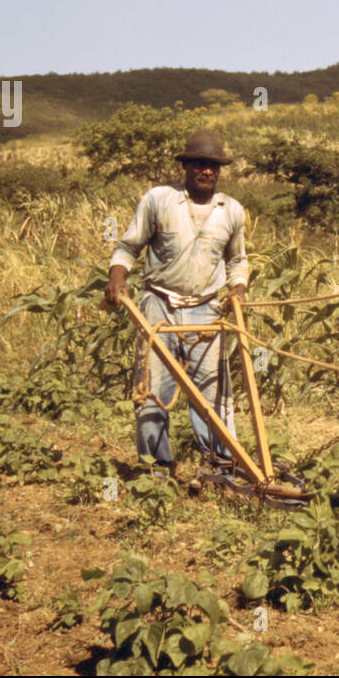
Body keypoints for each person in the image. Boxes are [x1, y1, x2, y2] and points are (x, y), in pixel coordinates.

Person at [103, 129, 249, 480]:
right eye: (199, 163)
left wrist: (238, 290)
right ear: (185, 166)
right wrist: (117, 278)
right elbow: (128, 246)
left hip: (205, 309)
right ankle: (156, 472)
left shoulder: (231, 210)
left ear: (219, 172)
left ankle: (220, 466)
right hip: (158, 306)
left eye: (213, 166)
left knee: (213, 393)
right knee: (153, 393)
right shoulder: (159, 200)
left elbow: (237, 261)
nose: (206, 171)